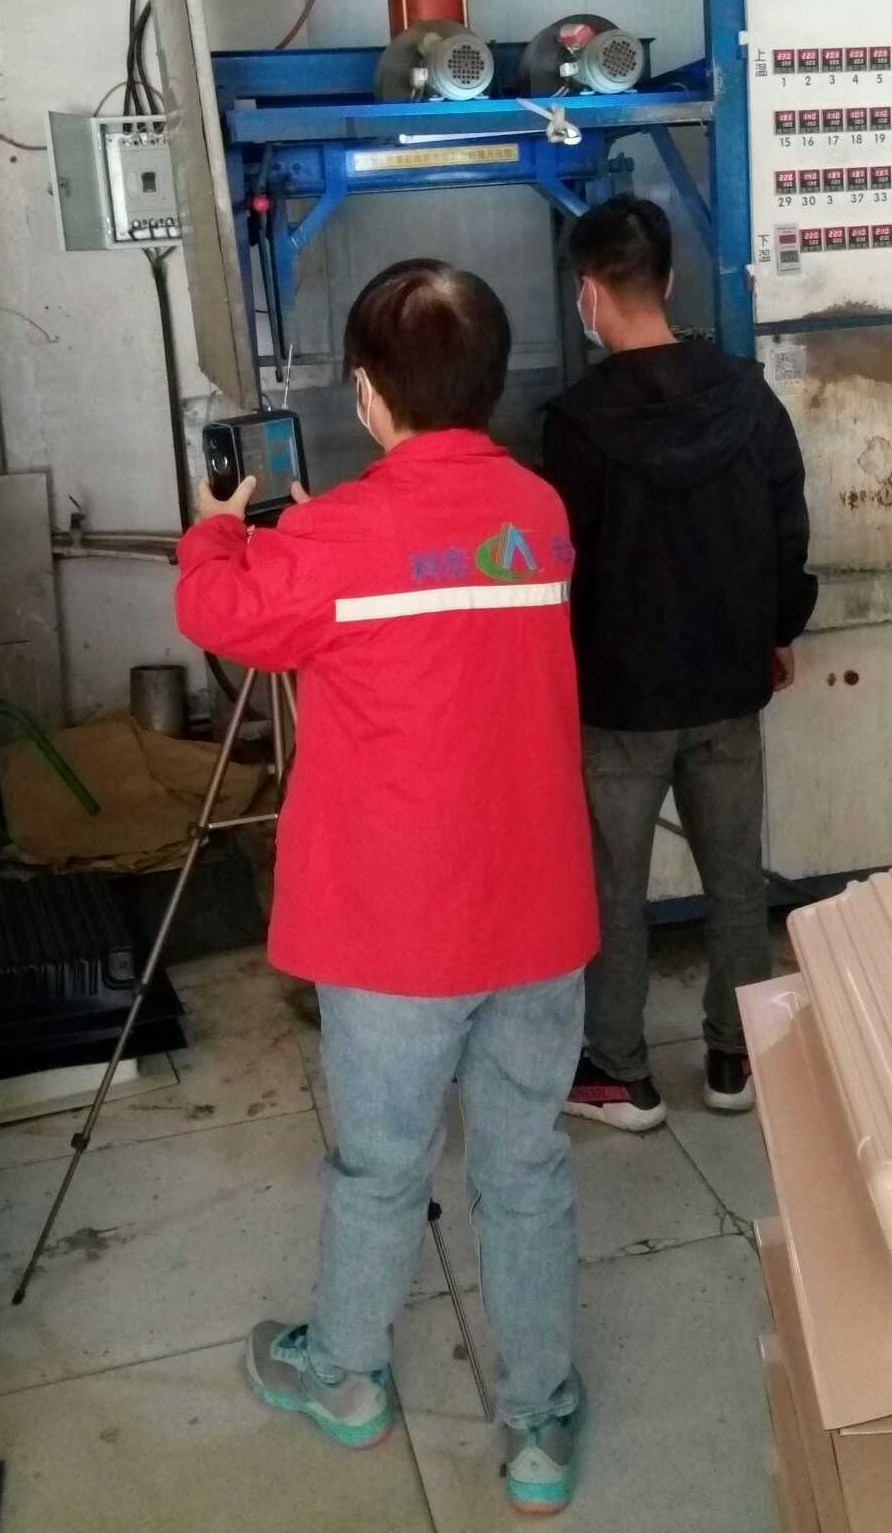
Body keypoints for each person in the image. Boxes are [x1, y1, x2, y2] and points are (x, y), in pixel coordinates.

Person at [175, 259, 598, 1516]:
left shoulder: (333, 538)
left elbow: (219, 610)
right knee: (525, 1168)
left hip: (396, 931)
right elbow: (443, 587)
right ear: (493, 379)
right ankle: (538, 1425)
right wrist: (331, 536)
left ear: (366, 392)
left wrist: (219, 521)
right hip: (537, 915)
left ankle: (348, 1375)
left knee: (381, 1164)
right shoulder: (542, 512)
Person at [542, 197, 817, 1132]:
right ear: (666, 280)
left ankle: (620, 1074)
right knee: (736, 876)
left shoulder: (575, 425)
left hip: (618, 702)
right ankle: (738, 1057)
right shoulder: (746, 396)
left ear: (588, 293)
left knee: (613, 890)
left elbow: (560, 567)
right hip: (730, 687)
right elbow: (786, 522)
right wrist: (778, 630)